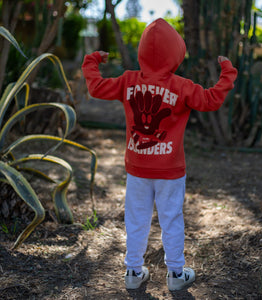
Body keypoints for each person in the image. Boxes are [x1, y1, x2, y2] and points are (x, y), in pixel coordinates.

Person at [81, 18, 238, 291]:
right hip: (170, 170)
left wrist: (92, 60)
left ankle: (132, 271)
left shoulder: (128, 81)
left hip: (137, 168)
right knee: (171, 219)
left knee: (136, 219)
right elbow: (212, 99)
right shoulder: (181, 86)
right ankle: (176, 275)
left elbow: (96, 87)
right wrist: (227, 72)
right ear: (176, 53)